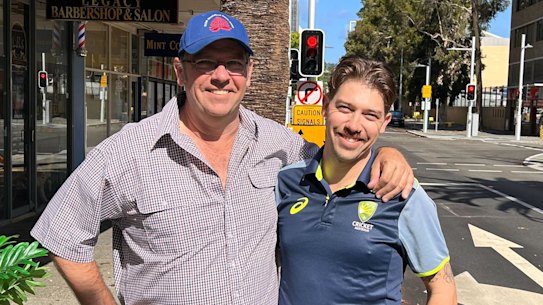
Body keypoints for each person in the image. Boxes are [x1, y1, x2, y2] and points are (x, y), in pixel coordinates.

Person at [31, 11, 414, 305]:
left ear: (248, 72)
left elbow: (343, 154)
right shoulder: (129, 151)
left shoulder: (281, 145)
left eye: (233, 63)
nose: (221, 75)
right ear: (180, 72)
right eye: (205, 62)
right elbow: (64, 238)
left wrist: (388, 153)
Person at [276, 56, 457, 305]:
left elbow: (443, 290)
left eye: (370, 115)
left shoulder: (403, 194)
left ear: (384, 123)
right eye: (345, 108)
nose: (354, 125)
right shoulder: (286, 181)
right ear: (325, 106)